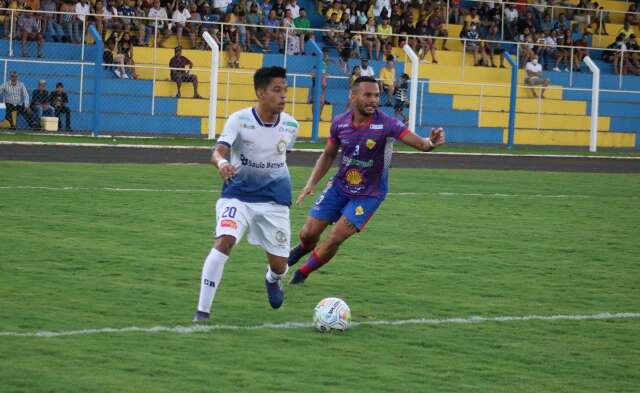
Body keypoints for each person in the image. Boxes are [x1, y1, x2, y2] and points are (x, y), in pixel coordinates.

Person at [286, 76, 445, 284]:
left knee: (335, 237)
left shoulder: (388, 125)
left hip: (369, 194)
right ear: (353, 96)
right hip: (340, 186)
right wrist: (311, 183)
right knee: (308, 233)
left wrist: (431, 142)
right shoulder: (340, 123)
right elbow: (328, 155)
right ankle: (303, 248)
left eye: (377, 95)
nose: (374, 100)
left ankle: (301, 274)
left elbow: (421, 145)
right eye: (368, 95)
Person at [193, 66, 300, 321]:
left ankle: (272, 279)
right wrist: (222, 164)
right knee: (225, 241)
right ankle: (202, 313)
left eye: (285, 91)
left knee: (280, 265)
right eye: (277, 90)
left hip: (275, 201)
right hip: (237, 195)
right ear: (260, 93)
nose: (283, 96)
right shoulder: (239, 120)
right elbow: (217, 151)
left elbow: (279, 156)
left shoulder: (291, 125)